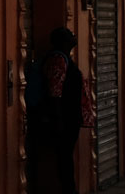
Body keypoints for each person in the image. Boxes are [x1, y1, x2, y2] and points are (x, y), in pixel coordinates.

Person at [36, 27, 94, 194]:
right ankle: (69, 190)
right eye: (69, 35)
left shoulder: (65, 59)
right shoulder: (58, 60)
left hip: (68, 117)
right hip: (64, 118)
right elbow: (55, 91)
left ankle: (69, 189)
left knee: (65, 156)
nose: (73, 37)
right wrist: (58, 119)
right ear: (62, 41)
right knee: (64, 157)